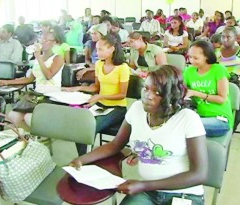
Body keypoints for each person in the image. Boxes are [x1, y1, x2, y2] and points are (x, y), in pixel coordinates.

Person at [70, 65, 208, 205]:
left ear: (171, 95)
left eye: (157, 92)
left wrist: (143, 186)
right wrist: (81, 160)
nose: (148, 96)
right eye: (146, 88)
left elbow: (199, 174)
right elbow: (115, 145)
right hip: (148, 193)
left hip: (183, 194)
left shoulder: (188, 119)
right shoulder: (136, 109)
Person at [64, 34, 130, 156]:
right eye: (97, 49)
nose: (96, 52)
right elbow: (96, 87)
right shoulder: (99, 64)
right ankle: (83, 158)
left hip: (117, 108)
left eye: (100, 49)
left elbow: (122, 94)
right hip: (100, 105)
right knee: (79, 125)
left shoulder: (123, 68)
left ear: (111, 49)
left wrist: (100, 96)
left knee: (88, 128)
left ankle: (86, 159)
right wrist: (77, 88)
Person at [0, 32, 64, 128]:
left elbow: (48, 75)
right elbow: (29, 79)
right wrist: (7, 82)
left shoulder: (58, 58)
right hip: (37, 94)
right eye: (41, 39)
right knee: (12, 116)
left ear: (55, 43)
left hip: (51, 94)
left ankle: (43, 137)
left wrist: (39, 57)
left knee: (29, 118)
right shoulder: (37, 60)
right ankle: (24, 139)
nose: (42, 42)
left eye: (46, 40)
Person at [184, 40, 234, 137]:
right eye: (190, 57)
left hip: (220, 119)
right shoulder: (189, 71)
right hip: (200, 116)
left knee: (185, 126)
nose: (191, 60)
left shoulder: (218, 70)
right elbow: (182, 89)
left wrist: (196, 93)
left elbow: (222, 99)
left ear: (207, 56)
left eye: (195, 58)